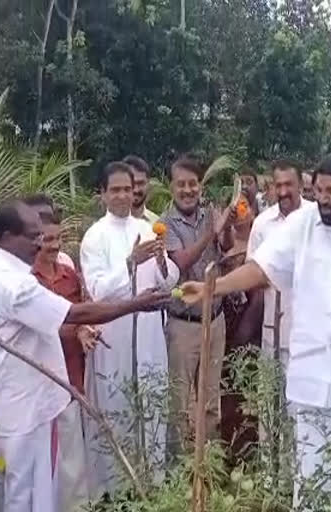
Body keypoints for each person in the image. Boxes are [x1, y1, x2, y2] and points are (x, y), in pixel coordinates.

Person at [180, 150, 331, 508]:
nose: (323, 200)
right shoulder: (303, 225)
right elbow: (262, 269)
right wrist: (212, 288)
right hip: (311, 383)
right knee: (313, 486)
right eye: (318, 191)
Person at [0, 199, 168, 512]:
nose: (40, 243)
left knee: (29, 486)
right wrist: (135, 303)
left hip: (20, 400)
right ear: (7, 237)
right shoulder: (12, 283)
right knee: (28, 490)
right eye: (34, 236)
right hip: (25, 405)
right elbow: (74, 313)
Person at [79, 162, 179, 495]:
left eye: (129, 188)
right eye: (116, 189)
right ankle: (115, 491)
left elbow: (168, 282)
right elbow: (98, 291)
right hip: (116, 338)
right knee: (117, 409)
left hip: (150, 336)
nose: (124, 195)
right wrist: (129, 263)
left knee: (151, 408)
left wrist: (163, 263)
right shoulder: (95, 236)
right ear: (103, 194)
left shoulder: (150, 227)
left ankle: (151, 485)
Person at [159, 154, 235, 456]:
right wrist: (210, 234)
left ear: (200, 186)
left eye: (193, 184)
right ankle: (177, 470)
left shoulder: (210, 213)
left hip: (215, 319)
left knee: (210, 399)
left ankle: (209, 464)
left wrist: (225, 227)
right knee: (179, 402)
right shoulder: (165, 224)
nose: (188, 190)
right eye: (182, 184)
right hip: (183, 325)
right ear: (172, 187)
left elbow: (225, 247)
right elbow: (182, 263)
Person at [32, 210, 97, 510]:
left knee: (71, 447)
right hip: (38, 376)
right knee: (42, 453)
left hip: (71, 372)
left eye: (58, 238)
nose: (54, 245)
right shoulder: (24, 282)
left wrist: (83, 330)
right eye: (47, 239)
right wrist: (73, 328)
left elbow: (82, 311)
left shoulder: (70, 275)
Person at [247, 160, 304, 368]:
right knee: (270, 396)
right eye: (278, 185)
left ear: (301, 186)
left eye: (289, 185)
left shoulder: (316, 218)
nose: (283, 191)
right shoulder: (262, 223)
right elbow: (253, 272)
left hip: (310, 334)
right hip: (274, 328)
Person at [218, 198, 262, 462]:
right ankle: (226, 447)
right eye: (235, 207)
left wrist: (247, 329)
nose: (240, 212)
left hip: (252, 323)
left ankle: (249, 445)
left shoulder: (261, 242)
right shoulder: (223, 241)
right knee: (226, 387)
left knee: (247, 384)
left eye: (245, 206)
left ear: (254, 211)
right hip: (224, 321)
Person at [24, 193, 76, 269]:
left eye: (49, 217)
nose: (45, 221)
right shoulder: (17, 265)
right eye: (40, 217)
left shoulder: (65, 261)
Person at [123, 155, 160, 224]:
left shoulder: (157, 223)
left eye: (141, 183)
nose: (136, 190)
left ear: (148, 184)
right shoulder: (105, 227)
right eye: (132, 183)